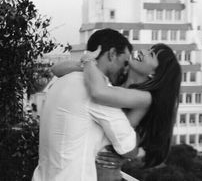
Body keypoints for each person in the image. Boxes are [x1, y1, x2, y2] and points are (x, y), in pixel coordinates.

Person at [53, 42, 182, 179]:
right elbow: (57, 69)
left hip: (103, 169)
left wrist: (90, 62)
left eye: (151, 54)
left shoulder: (144, 98)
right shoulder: (116, 76)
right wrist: (86, 64)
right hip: (84, 164)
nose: (143, 51)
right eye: (148, 49)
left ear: (155, 72)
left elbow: (99, 94)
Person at [31, 28, 139, 181]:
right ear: (112, 54)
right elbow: (129, 148)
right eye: (125, 62)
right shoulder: (98, 93)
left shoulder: (62, 81)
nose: (126, 69)